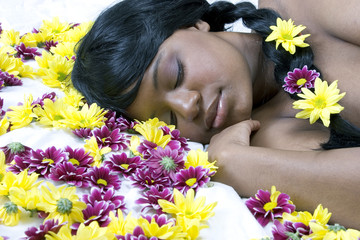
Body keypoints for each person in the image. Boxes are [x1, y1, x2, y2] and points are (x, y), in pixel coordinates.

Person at [71, 0, 360, 228]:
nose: (187, 107)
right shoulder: (262, 143)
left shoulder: (302, 7)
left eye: (176, 75)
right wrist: (236, 165)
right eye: (169, 119)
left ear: (196, 25)